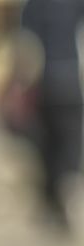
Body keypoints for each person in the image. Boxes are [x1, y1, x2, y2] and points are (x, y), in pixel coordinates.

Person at [17, 0, 84, 233]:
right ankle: (62, 193)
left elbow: (24, 46)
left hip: (46, 84)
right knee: (67, 144)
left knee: (52, 145)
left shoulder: (33, 6)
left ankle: (55, 198)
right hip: (68, 82)